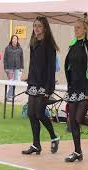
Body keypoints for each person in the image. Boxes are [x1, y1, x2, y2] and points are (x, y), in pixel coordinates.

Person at [22, 16, 60, 155]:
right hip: (33, 83)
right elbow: (33, 64)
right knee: (31, 113)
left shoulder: (49, 45)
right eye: (35, 26)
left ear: (45, 28)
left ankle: (54, 137)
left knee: (39, 113)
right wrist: (29, 78)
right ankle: (36, 145)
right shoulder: (33, 43)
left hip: (44, 85)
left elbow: (51, 68)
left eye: (39, 26)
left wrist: (48, 89)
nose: (36, 28)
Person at [64, 18, 88, 162]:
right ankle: (78, 152)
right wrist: (69, 86)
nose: (76, 30)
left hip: (85, 89)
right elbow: (69, 68)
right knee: (72, 121)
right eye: (75, 27)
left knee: (78, 118)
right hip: (74, 88)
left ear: (85, 30)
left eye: (78, 27)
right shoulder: (72, 46)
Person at [3, 34, 24, 101]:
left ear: (17, 40)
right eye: (13, 38)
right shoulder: (7, 48)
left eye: (16, 39)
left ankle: (11, 96)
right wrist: (5, 67)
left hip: (17, 68)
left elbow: (21, 58)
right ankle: (9, 97)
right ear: (11, 40)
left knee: (15, 82)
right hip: (10, 68)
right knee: (11, 82)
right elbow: (5, 58)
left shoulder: (20, 48)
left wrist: (21, 67)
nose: (14, 40)